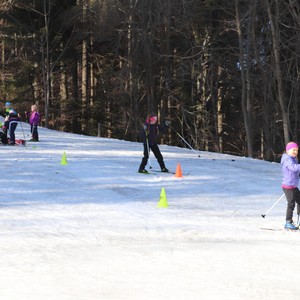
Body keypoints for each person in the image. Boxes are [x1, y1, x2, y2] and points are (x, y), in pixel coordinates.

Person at [281, 141, 300, 230]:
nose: (295, 152)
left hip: (294, 186)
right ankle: (288, 222)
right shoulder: (287, 160)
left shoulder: (293, 159)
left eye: (297, 150)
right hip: (288, 186)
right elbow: (293, 168)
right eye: (294, 150)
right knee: (291, 204)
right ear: (288, 151)